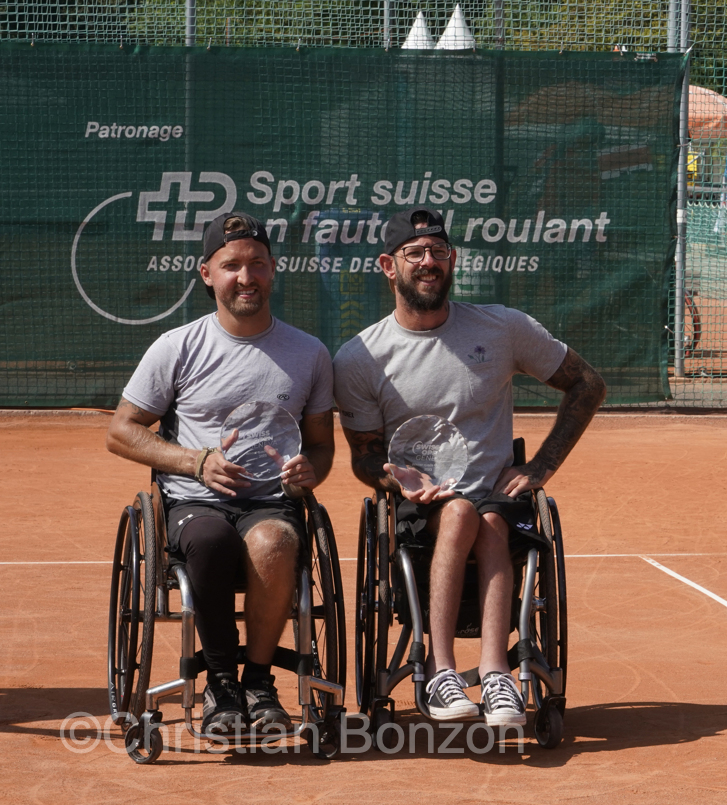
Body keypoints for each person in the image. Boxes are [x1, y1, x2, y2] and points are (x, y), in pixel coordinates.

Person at [333, 207, 606, 727]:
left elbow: (587, 384)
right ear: (389, 267)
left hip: (496, 500)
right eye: (415, 253)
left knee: (488, 518)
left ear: (452, 260)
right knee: (460, 514)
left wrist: (543, 465)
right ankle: (441, 673)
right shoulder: (359, 357)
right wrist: (396, 479)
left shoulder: (502, 328)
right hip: (419, 506)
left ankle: (496, 674)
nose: (429, 262)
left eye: (438, 251)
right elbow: (366, 454)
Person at [106, 212, 336, 737]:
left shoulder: (310, 353)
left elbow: (321, 447)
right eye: (232, 265)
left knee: (275, 543)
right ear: (207, 273)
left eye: (257, 263)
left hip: (270, 502)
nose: (246, 276)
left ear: (274, 270)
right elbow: (121, 431)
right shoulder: (177, 346)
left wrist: (308, 472)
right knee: (209, 540)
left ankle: (258, 683)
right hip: (194, 500)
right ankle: (220, 685)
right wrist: (196, 461)